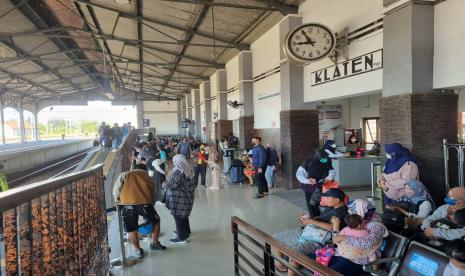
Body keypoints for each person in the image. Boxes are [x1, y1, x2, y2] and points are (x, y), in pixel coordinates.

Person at [273, 188, 348, 273]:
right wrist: (308, 218)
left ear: (336, 200)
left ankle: (295, 264)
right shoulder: (331, 207)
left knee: (294, 253)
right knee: (275, 238)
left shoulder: (343, 213)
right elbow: (321, 219)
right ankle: (280, 264)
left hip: (320, 239)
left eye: (327, 197)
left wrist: (311, 221)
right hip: (309, 231)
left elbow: (332, 227)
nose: (324, 199)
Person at [320, 199, 388, 276]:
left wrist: (345, 238)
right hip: (344, 254)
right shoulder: (357, 221)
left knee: (327, 272)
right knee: (321, 268)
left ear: (361, 211)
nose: (350, 214)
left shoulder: (375, 225)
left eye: (353, 212)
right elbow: (337, 239)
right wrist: (335, 229)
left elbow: (368, 243)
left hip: (358, 259)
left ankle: (376, 272)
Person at [112, 163, 166, 258]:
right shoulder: (149, 178)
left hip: (127, 205)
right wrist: (150, 205)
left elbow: (116, 190)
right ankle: (154, 243)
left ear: (134, 169)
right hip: (145, 204)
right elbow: (154, 194)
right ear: (145, 170)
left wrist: (118, 201)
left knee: (131, 229)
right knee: (156, 221)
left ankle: (138, 250)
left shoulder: (125, 175)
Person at [163, 154, 196, 244]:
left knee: (178, 216)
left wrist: (164, 185)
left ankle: (181, 238)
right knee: (183, 216)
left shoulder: (179, 171)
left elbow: (171, 185)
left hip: (179, 198)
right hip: (186, 196)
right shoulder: (189, 169)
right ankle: (185, 232)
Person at [296, 149, 335, 217]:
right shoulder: (308, 161)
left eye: (326, 158)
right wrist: (307, 180)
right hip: (310, 186)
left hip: (324, 185)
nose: (324, 159)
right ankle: (314, 220)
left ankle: (324, 218)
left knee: (326, 204)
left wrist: (329, 177)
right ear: (317, 156)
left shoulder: (328, 160)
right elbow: (299, 174)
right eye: (323, 158)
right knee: (312, 205)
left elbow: (332, 171)